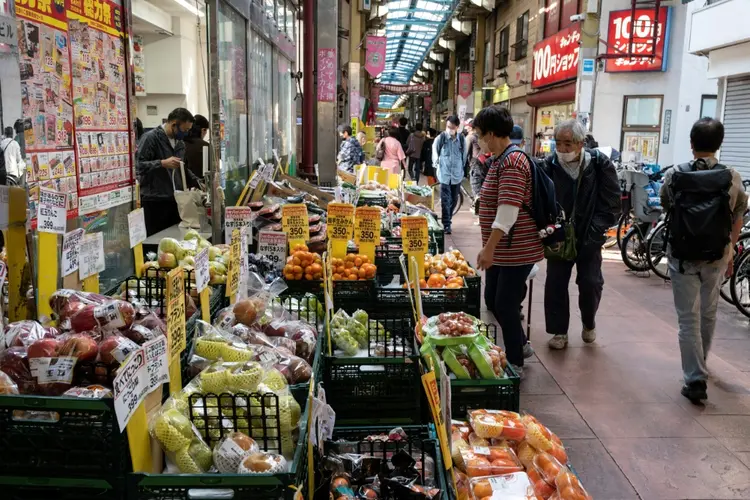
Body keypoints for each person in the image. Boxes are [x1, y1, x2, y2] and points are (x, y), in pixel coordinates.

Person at [660, 118, 747, 403]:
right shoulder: (732, 177)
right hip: (717, 255)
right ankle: (701, 366)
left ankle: (695, 379)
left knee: (688, 318)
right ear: (719, 144)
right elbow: (738, 214)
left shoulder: (675, 175)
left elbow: (666, 205)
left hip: (682, 256)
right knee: (708, 313)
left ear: (691, 143)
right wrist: (731, 248)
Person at [473, 106, 543, 376]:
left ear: (491, 134)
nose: (479, 140)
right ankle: (521, 344)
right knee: (493, 299)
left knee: (504, 304)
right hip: (503, 250)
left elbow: (508, 210)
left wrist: (488, 248)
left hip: (516, 249)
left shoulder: (513, 162)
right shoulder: (500, 159)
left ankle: (515, 361)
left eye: (480, 134)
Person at [542, 119, 621, 350]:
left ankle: (589, 322)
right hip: (559, 236)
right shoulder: (549, 165)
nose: (563, 149)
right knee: (555, 283)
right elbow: (540, 199)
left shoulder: (598, 164)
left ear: (580, 143)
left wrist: (595, 231)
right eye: (558, 143)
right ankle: (559, 331)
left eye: (568, 143)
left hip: (590, 235)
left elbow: (612, 202)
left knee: (590, 282)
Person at [137, 107, 202, 236]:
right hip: (155, 200)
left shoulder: (180, 144)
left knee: (175, 240)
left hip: (175, 200)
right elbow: (138, 166)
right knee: (156, 242)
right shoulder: (151, 138)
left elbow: (182, 168)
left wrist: (198, 182)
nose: (186, 134)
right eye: (185, 130)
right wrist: (161, 163)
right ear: (174, 124)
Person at [433, 116, 467, 234]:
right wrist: (437, 164)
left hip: (457, 175)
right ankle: (446, 224)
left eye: (452, 127)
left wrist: (462, 170)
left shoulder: (462, 140)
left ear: (457, 127)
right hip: (444, 174)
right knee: (445, 200)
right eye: (448, 127)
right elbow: (435, 152)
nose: (449, 129)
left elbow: (464, 157)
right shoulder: (441, 138)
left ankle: (448, 218)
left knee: (454, 199)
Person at [184, 114, 210, 179]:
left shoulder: (181, 143)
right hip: (202, 183)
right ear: (203, 130)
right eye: (206, 130)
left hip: (184, 184)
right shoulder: (205, 146)